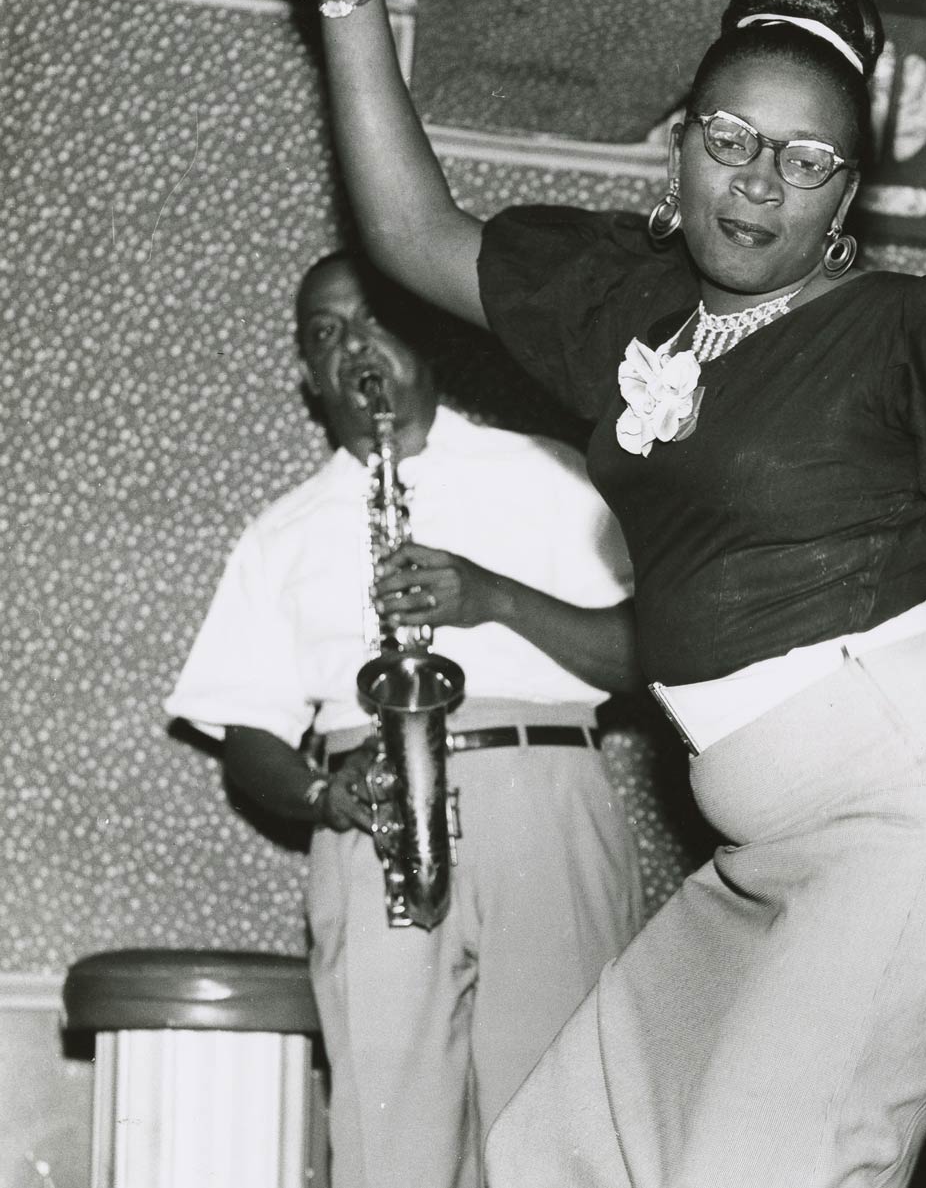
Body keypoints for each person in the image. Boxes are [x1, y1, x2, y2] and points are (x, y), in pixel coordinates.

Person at [287, 0, 926, 1184]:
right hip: (763, 851)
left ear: (848, 197)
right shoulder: (628, 310)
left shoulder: (918, 343)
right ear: (682, 144)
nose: (758, 185)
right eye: (732, 140)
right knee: (558, 1155)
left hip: (923, 809)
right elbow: (411, 228)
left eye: (806, 162)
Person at [166, 252, 645, 1188]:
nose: (353, 347)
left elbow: (644, 656)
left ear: (426, 335)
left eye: (372, 319)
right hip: (374, 819)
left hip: (543, 801)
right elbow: (245, 736)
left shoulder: (551, 474)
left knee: (567, 1139)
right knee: (391, 1149)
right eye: (324, 334)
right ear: (308, 377)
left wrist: (494, 597)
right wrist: (321, 790)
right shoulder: (281, 531)